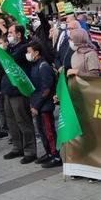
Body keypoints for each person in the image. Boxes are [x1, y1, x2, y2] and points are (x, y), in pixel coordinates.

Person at [0, 25, 37, 164]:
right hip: (7, 89)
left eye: (10, 32)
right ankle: (17, 147)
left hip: (18, 91)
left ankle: (30, 150)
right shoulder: (9, 48)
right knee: (11, 120)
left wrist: (2, 52)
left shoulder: (23, 47)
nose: (8, 35)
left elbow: (9, 62)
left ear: (19, 34)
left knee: (23, 120)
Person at [27, 40, 61, 168]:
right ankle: (48, 153)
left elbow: (46, 89)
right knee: (41, 131)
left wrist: (37, 105)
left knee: (49, 131)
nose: (28, 54)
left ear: (36, 52)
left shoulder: (44, 66)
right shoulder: (35, 64)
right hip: (37, 104)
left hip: (44, 106)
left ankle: (56, 155)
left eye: (29, 52)